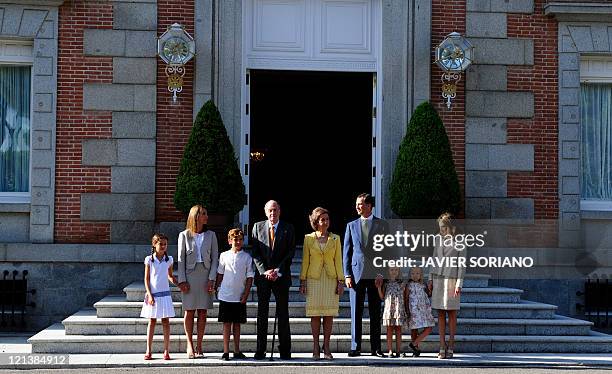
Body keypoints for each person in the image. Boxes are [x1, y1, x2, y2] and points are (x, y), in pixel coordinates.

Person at [343, 193, 388, 357]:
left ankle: (376, 348)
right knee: (356, 311)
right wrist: (347, 274)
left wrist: (382, 273)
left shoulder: (382, 225)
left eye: (360, 204)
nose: (357, 207)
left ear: (369, 206)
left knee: (375, 312)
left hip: (375, 275)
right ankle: (356, 346)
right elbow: (346, 252)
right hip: (356, 275)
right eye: (357, 204)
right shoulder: (351, 225)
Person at [250, 200, 296, 360]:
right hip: (263, 278)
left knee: (283, 314)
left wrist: (277, 270)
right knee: (262, 314)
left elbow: (290, 252)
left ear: (280, 211)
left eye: (275, 210)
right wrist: (265, 271)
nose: (272, 213)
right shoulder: (257, 227)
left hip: (281, 277)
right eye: (270, 210)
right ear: (265, 212)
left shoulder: (288, 228)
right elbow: (255, 252)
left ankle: (285, 350)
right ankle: (260, 349)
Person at [299, 207, 344, 360]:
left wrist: (341, 281)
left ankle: (326, 346)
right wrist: (303, 280)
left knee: (329, 314)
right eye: (322, 219)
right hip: (314, 279)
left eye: (327, 219)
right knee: (315, 314)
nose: (325, 222)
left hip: (330, 278)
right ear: (316, 222)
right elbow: (306, 260)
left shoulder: (336, 239)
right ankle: (315, 346)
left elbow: (338, 261)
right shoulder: (308, 238)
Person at [177, 205, 219, 358]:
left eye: (206, 214)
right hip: (189, 276)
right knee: (189, 310)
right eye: (203, 214)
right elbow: (180, 260)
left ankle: (199, 345)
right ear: (195, 216)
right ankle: (189, 344)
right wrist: (181, 280)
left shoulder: (211, 235)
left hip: (206, 275)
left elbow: (215, 258)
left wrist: (212, 279)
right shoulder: (184, 235)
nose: (206, 216)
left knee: (203, 311)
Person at [428, 212, 466, 359]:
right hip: (438, 279)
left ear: (450, 227)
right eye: (440, 227)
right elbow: (434, 259)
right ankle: (441, 345)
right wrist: (430, 278)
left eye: (443, 227)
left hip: (451, 280)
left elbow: (462, 265)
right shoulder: (437, 238)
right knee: (440, 313)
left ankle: (451, 344)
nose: (441, 230)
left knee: (451, 312)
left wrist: (459, 284)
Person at [215, 228, 254, 361]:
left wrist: (246, 293)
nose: (237, 242)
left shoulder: (247, 257)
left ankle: (236, 350)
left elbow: (250, 277)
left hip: (239, 296)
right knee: (226, 323)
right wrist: (217, 287)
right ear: (229, 240)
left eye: (240, 239)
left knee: (237, 324)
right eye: (235, 239)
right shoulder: (224, 255)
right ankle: (226, 351)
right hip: (226, 295)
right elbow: (220, 273)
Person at [141, 233, 177, 360]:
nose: (163, 246)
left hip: (165, 295)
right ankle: (148, 350)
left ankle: (166, 351)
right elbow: (146, 279)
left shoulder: (169, 260)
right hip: (153, 295)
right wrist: (149, 295)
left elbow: (170, 276)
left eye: (165, 244)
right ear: (154, 244)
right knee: (152, 321)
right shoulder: (149, 260)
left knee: (166, 322)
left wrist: (178, 283)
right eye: (160, 244)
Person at [377, 267, 407, 357]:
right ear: (388, 271)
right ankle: (390, 350)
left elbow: (405, 296)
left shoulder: (401, 283)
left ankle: (398, 350)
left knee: (398, 330)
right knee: (389, 330)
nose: (394, 272)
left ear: (399, 271)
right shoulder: (385, 283)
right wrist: (379, 287)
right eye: (392, 270)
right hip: (389, 309)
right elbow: (382, 296)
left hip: (399, 309)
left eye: (396, 270)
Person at [405, 266, 435, 357]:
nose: (415, 275)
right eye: (413, 273)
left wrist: (430, 289)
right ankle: (416, 349)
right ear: (410, 275)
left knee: (429, 328)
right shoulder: (408, 285)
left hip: (424, 311)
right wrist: (407, 311)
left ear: (421, 275)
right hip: (413, 311)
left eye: (417, 273)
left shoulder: (423, 285)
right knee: (414, 330)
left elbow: (429, 294)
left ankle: (414, 343)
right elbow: (406, 299)